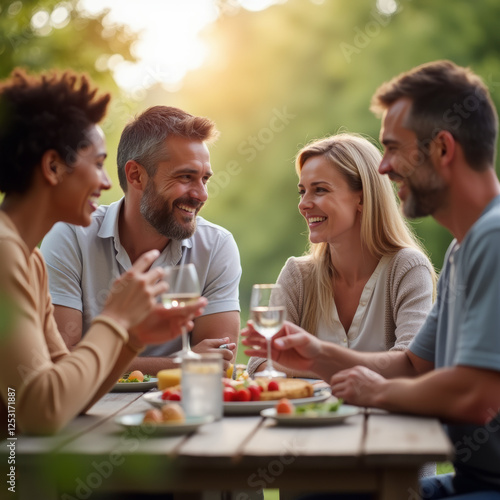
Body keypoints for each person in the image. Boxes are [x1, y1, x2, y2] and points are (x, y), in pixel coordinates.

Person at [243, 60, 500, 499]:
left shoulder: (492, 239)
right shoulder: (463, 247)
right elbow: (411, 365)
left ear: (442, 148)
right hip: (468, 480)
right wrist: (319, 356)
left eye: (394, 148)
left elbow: (477, 396)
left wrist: (377, 393)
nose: (383, 168)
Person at [0, 69, 206, 436]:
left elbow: (68, 392)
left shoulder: (28, 258)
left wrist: (132, 336)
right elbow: (38, 410)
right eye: (97, 164)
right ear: (52, 167)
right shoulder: (4, 252)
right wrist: (115, 316)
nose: (108, 183)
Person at [40, 105, 241, 374]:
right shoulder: (71, 235)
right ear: (136, 175)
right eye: (186, 177)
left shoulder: (216, 246)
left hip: (182, 408)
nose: (201, 194)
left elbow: (217, 362)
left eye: (204, 179)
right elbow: (60, 360)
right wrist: (182, 363)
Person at [247, 133, 436, 380]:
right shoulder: (297, 275)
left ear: (362, 197)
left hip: (387, 419)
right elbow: (261, 362)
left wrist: (313, 362)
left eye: (320, 190)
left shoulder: (407, 268)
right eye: (302, 191)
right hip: (310, 419)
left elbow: (412, 365)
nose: (304, 203)